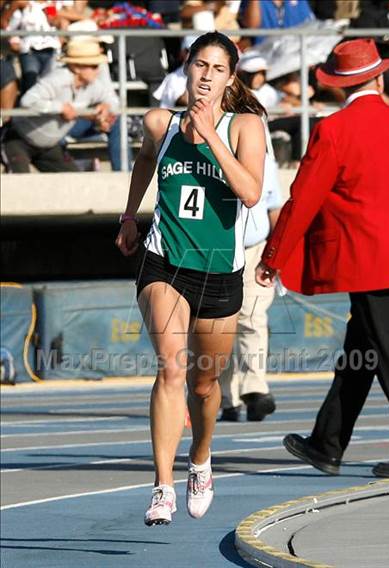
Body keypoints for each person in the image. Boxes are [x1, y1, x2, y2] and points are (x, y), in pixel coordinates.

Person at [116, 31, 266, 525]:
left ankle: (200, 459)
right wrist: (130, 215)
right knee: (171, 369)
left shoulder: (246, 127)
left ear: (230, 78)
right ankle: (162, 487)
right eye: (199, 65)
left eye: (217, 69)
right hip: (165, 262)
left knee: (204, 384)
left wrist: (213, 136)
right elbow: (143, 160)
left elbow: (248, 192)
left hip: (219, 270)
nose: (206, 76)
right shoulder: (160, 122)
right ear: (187, 67)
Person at [256, 38, 389, 478]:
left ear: (338, 85)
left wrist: (273, 256)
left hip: (365, 258)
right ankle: (327, 443)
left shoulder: (334, 130)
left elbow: (302, 199)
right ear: (380, 77)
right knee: (363, 349)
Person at [218, 132, 283, 422]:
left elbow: (274, 207)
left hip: (255, 248)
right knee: (218, 324)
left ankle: (255, 390)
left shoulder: (267, 162)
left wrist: (277, 253)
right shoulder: (212, 155)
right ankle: (226, 397)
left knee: (252, 318)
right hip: (216, 249)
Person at [2, 40, 120, 173]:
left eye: (97, 65)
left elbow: (114, 101)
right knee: (18, 182)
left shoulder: (93, 86)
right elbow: (28, 101)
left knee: (75, 182)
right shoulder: (57, 79)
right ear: (76, 67)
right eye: (93, 66)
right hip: (18, 140)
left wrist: (107, 106)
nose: (97, 71)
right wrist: (60, 108)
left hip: (49, 146)